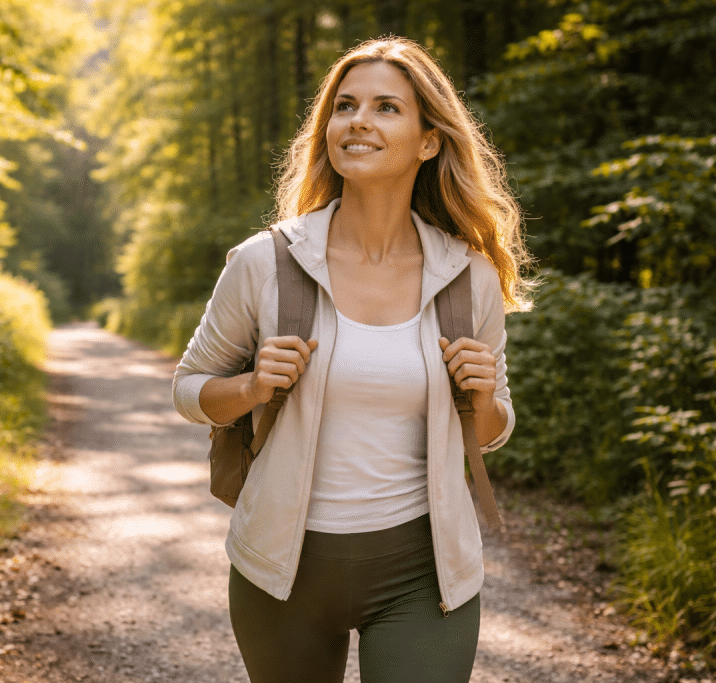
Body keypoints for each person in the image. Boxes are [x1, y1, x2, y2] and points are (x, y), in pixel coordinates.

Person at [172, 37, 533, 683]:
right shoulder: (266, 261)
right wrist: (253, 386)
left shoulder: (467, 276)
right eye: (344, 105)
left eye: (386, 107)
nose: (358, 120)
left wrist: (482, 400)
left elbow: (490, 429)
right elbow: (189, 386)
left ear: (429, 141)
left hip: (423, 573)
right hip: (281, 569)